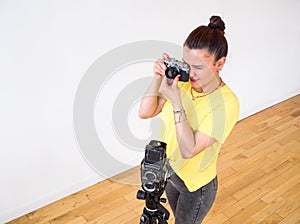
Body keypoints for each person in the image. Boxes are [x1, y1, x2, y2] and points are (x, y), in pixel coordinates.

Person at [139, 15, 239, 224]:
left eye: (199, 67)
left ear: (220, 63)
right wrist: (157, 78)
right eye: (186, 64)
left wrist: (177, 103)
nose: (190, 73)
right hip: (171, 172)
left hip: (196, 187)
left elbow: (189, 150)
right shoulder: (182, 83)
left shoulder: (226, 104)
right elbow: (145, 112)